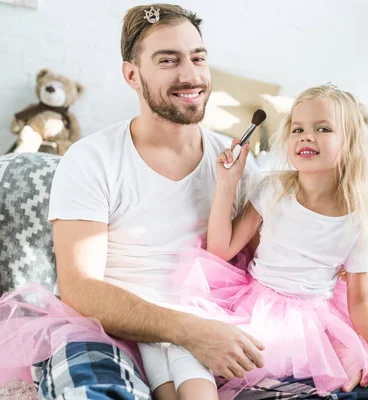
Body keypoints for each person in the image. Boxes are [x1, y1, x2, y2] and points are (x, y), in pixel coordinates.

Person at [0, 4, 264, 399]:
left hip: (214, 330)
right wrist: (189, 331)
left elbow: (270, 262)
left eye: (198, 58)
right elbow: (81, 290)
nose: (190, 75)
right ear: (132, 75)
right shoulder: (92, 159)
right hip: (109, 333)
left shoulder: (237, 165)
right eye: (168, 61)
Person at [169, 84, 368, 400]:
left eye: (322, 128)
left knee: (360, 378)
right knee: (218, 354)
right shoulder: (272, 189)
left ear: (351, 143)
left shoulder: (360, 217)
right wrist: (227, 185)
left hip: (315, 318)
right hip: (254, 304)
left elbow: (360, 299)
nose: (306, 136)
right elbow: (221, 249)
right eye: (297, 128)